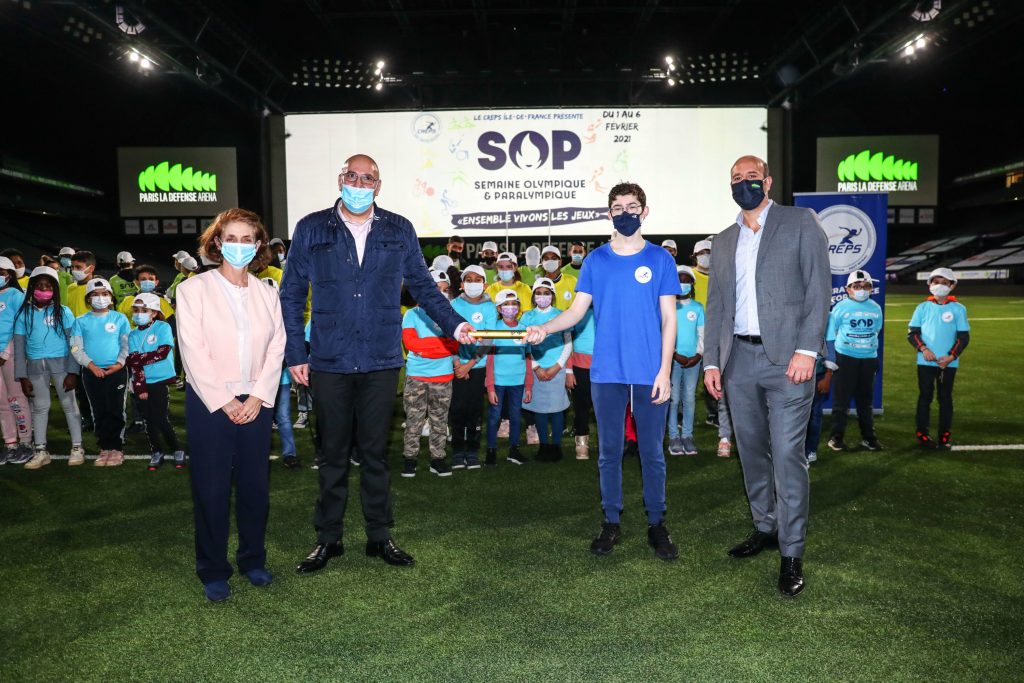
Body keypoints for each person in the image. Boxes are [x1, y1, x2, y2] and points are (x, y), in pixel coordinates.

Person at [281, 154, 473, 573]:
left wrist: (455, 325)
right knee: (331, 455)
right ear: (340, 179)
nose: (359, 183)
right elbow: (292, 292)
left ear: (378, 186)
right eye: (353, 175)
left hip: (381, 360)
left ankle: (379, 536)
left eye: (367, 178)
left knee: (374, 454)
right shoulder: (311, 227)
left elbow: (422, 286)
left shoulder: (398, 228)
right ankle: (328, 539)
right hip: (328, 359)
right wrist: (296, 352)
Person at [524, 181, 680, 562]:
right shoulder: (596, 260)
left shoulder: (660, 259)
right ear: (608, 212)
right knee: (608, 452)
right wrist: (546, 328)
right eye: (617, 207)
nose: (624, 213)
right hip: (607, 370)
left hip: (649, 371)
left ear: (645, 211)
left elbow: (669, 319)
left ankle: (656, 522)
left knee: (651, 453)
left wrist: (664, 372)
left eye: (632, 206)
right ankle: (611, 520)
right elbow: (577, 312)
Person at [703, 155, 830, 597]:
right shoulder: (721, 241)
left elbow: (818, 290)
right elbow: (716, 306)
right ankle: (765, 526)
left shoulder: (800, 222)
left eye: (751, 177)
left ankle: (791, 551)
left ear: (768, 181)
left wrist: (808, 351)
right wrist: (713, 362)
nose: (744, 183)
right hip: (738, 362)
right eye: (736, 178)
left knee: (786, 453)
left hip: (789, 362)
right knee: (752, 452)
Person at [176, 208, 286, 602]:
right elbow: (193, 349)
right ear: (218, 242)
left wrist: (257, 396)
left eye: (248, 239)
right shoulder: (193, 290)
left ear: (258, 246)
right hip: (210, 403)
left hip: (257, 402)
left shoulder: (266, 293)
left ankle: (253, 560)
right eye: (232, 238)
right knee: (211, 488)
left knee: (256, 487)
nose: (239, 246)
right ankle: (213, 568)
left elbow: (277, 348)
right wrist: (224, 400)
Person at [13, 266, 84, 469]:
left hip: (62, 365)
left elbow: (74, 343)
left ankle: (77, 447)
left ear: (55, 288)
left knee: (69, 405)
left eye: (48, 285)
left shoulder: (64, 312)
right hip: (35, 367)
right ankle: (41, 450)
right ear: (31, 287)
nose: (43, 289)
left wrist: (73, 371)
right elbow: (19, 347)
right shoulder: (23, 314)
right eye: (39, 285)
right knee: (40, 408)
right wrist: (22, 376)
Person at [401, 270, 460, 478]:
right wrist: (441, 345)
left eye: (444, 290)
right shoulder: (412, 314)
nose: (440, 294)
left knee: (439, 420)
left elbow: (454, 345)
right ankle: (410, 458)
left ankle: (438, 459)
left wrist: (429, 348)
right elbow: (411, 344)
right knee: (414, 419)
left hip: (443, 377)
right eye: (436, 289)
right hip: (417, 377)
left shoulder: (450, 315)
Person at [907, 267, 970, 450]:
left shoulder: (958, 309)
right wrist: (924, 349)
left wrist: (951, 356)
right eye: (936, 282)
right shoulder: (922, 307)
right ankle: (922, 434)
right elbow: (913, 334)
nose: (940, 286)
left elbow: (963, 337)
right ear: (930, 285)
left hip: (948, 363)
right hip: (925, 361)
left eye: (944, 283)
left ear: (952, 285)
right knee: (925, 397)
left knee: (945, 398)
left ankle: (944, 435)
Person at [70, 278, 130, 467]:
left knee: (116, 409)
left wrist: (119, 364)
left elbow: (127, 345)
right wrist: (91, 366)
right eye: (95, 295)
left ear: (111, 297)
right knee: (99, 410)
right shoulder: (80, 321)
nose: (100, 298)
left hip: (116, 371)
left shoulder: (120, 318)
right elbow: (75, 348)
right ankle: (105, 447)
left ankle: (117, 448)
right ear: (88, 299)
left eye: (104, 294)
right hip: (91, 373)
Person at [826, 270, 884, 453]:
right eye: (856, 286)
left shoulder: (876, 307)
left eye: (865, 286)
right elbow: (830, 333)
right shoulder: (840, 307)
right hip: (845, 359)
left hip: (868, 359)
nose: (861, 290)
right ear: (848, 289)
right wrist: (832, 359)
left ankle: (869, 438)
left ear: (871, 288)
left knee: (865, 402)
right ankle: (836, 438)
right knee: (841, 401)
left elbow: (877, 330)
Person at [126, 293, 185, 470]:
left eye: (144, 310)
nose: (139, 313)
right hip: (142, 384)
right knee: (148, 420)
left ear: (154, 312)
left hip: (160, 380)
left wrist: (137, 359)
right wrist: (140, 386)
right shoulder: (133, 334)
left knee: (159, 418)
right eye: (136, 310)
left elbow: (163, 352)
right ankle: (157, 451)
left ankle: (176, 449)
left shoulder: (162, 327)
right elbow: (134, 363)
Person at [448, 265, 496, 469]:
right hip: (456, 365)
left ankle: (473, 450)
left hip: (477, 366)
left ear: (485, 285)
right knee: (457, 408)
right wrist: (458, 363)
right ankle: (458, 450)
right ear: (461, 284)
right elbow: (448, 336)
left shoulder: (490, 307)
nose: (473, 283)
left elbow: (489, 339)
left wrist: (470, 364)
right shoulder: (452, 305)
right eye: (469, 279)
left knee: (475, 409)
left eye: (478, 279)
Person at [520, 277, 573, 461]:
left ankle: (556, 446)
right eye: (539, 293)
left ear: (553, 295)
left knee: (557, 409)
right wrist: (536, 367)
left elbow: (568, 342)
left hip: (556, 368)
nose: (543, 297)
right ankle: (544, 446)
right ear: (533, 296)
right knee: (540, 409)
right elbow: (524, 345)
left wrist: (558, 366)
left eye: (547, 293)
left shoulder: (561, 314)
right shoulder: (527, 317)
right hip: (537, 370)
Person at [691, 238, 733, 458]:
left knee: (720, 381)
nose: (706, 255)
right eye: (703, 252)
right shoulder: (688, 277)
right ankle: (684, 419)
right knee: (693, 383)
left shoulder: (724, 275)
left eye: (709, 251)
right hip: (694, 337)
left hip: (722, 335)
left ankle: (717, 419)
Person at [485, 289, 532, 466]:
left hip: (518, 381)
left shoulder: (524, 329)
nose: (510, 307)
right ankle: (491, 450)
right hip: (498, 381)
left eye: (514, 304)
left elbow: (528, 358)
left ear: (519, 307)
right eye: (506, 304)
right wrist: (489, 386)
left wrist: (529, 385)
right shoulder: (494, 329)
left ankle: (514, 449)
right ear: (498, 308)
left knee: (515, 415)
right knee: (494, 417)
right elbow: (489, 359)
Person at [261, 278, 299, 470]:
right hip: (258, 379)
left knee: (282, 417)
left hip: (280, 378)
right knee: (260, 417)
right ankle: (258, 452)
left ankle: (290, 454)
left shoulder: (284, 318)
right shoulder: (254, 318)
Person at [667, 266, 704, 457]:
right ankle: (673, 436)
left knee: (689, 398)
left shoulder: (697, 308)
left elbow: (702, 334)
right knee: (673, 398)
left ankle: (687, 436)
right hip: (671, 360)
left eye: (687, 281)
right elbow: (662, 333)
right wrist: (673, 354)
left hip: (693, 361)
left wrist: (698, 355)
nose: (684, 284)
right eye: (680, 280)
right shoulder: (667, 305)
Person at [0, 257, 33, 465]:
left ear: (9, 275)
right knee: (1, 402)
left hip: (10, 354)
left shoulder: (15, 295)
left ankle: (26, 442)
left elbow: (20, 327)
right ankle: (10, 443)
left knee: (16, 399)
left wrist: (4, 353)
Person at [567, 305, 595, 459]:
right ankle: (581, 442)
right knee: (581, 406)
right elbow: (566, 341)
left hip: (605, 367)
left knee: (605, 409)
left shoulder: (609, 310)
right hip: (579, 366)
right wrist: (569, 370)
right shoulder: (577, 313)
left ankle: (608, 443)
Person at [538, 245, 577, 310]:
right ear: (542, 263)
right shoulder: (538, 284)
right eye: (546, 259)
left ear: (560, 262)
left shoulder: (572, 281)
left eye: (553, 258)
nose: (550, 261)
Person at [66, 251, 98, 317]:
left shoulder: (99, 289)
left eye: (78, 267)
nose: (74, 270)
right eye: (72, 267)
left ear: (91, 268)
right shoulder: (69, 288)